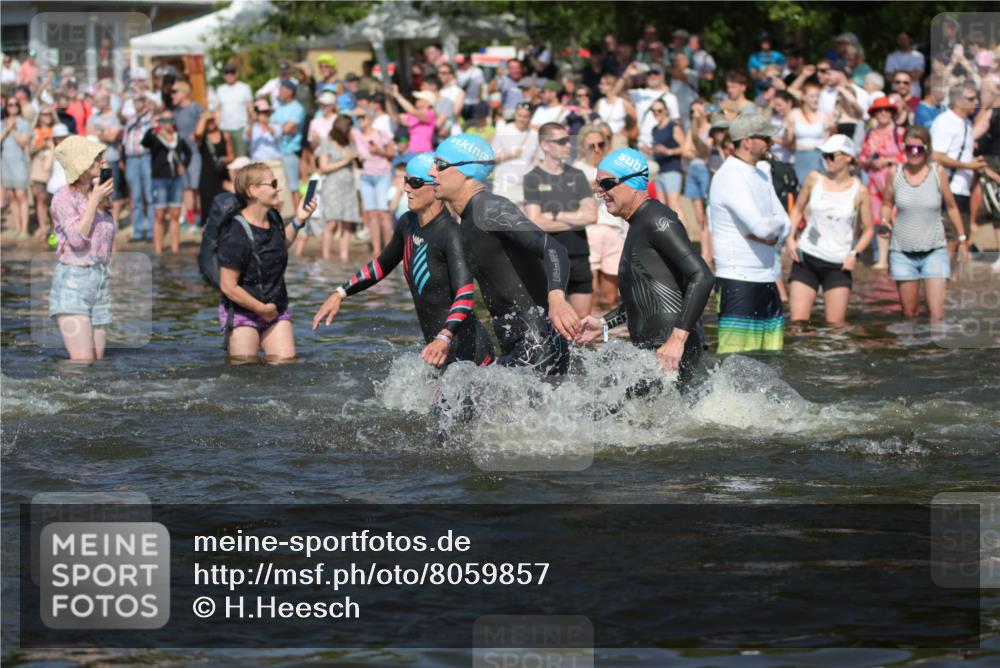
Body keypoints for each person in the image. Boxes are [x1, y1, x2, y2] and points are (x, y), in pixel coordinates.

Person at [314, 153, 495, 367]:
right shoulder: (408, 222)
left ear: (436, 186)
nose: (407, 188)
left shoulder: (451, 235)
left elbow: (464, 297)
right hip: (437, 351)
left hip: (468, 352)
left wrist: (444, 336)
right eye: (406, 181)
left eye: (415, 182)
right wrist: (340, 293)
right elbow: (381, 266)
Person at [429, 134, 579, 374]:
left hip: (539, 344)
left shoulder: (490, 208)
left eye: (440, 165)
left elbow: (552, 248)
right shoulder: (467, 220)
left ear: (468, 171)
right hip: (516, 344)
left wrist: (557, 299)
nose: (431, 172)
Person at [576, 148, 714, 384]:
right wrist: (604, 323)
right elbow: (645, 294)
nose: (600, 193)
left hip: (670, 354)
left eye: (607, 184)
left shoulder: (657, 220)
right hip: (654, 354)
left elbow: (702, 276)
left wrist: (676, 341)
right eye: (597, 185)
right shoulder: (639, 223)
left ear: (634, 183)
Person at [217, 162, 317, 362]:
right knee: (245, 372)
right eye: (272, 183)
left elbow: (279, 246)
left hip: (275, 310)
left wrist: (298, 220)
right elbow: (228, 286)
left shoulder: (273, 217)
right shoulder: (235, 233)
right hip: (242, 313)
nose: (277, 188)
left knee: (286, 365)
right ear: (253, 190)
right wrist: (261, 309)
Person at [709, 113, 791, 354]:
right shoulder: (729, 175)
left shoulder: (762, 173)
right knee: (737, 365)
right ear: (747, 141)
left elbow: (785, 224)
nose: (771, 143)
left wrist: (770, 231)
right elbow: (762, 228)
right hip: (738, 281)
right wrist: (769, 230)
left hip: (767, 279)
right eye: (765, 138)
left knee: (771, 362)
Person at [881, 125, 968, 322]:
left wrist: (962, 238)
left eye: (918, 149)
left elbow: (952, 207)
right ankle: (913, 351)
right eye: (909, 148)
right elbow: (887, 203)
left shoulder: (938, 173)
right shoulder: (895, 173)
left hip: (934, 251)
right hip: (902, 253)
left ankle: (933, 352)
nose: (914, 154)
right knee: (910, 314)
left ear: (927, 149)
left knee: (936, 314)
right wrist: (885, 221)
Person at [786, 135, 874, 325]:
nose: (827, 161)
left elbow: (868, 230)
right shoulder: (813, 179)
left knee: (835, 327)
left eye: (831, 156)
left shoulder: (860, 191)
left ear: (848, 158)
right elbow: (798, 209)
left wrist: (854, 254)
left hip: (838, 264)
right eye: (824, 156)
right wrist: (790, 238)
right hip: (806, 258)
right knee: (798, 324)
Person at [48, 135, 116, 362]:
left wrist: (98, 199)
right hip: (73, 282)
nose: (101, 161)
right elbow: (77, 240)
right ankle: (53, 395)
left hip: (99, 281)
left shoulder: (98, 195)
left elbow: (105, 241)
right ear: (81, 164)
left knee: (96, 360)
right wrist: (94, 201)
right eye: (96, 158)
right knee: (82, 360)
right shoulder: (63, 197)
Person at [523, 122, 599, 317]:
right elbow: (536, 222)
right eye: (562, 141)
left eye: (569, 140)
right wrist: (575, 218)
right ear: (545, 145)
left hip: (579, 254)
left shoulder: (577, 175)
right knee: (553, 322)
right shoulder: (533, 178)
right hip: (549, 258)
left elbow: (591, 216)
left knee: (583, 325)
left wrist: (555, 215)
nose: (568, 145)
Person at [574, 125, 627, 312]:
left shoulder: (615, 169)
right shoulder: (576, 170)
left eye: (600, 144)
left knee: (611, 297)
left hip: (615, 231)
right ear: (583, 147)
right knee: (591, 293)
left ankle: (608, 336)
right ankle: (592, 337)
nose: (597, 149)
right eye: (592, 146)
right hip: (589, 232)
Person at [931, 83, 985, 252]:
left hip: (962, 188)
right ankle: (941, 277)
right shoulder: (945, 121)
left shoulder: (967, 123)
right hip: (947, 187)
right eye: (971, 98)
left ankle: (951, 277)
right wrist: (968, 165)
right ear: (957, 100)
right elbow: (936, 156)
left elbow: (961, 154)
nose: (976, 101)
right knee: (950, 238)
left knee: (961, 238)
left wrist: (977, 165)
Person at [860, 96, 906, 270]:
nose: (883, 113)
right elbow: (862, 158)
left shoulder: (900, 132)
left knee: (898, 217)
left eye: (887, 110)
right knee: (880, 220)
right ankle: (883, 259)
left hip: (895, 181)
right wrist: (871, 162)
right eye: (879, 110)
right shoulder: (870, 134)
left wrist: (887, 160)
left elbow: (908, 156)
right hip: (874, 184)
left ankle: (900, 257)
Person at [142, 110, 192, 254]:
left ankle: (175, 248)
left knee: (175, 214)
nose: (167, 124)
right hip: (159, 179)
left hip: (175, 179)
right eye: (164, 121)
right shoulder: (155, 137)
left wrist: (184, 165)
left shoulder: (178, 137)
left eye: (169, 121)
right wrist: (153, 128)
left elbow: (188, 153)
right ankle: (158, 249)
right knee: (160, 215)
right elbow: (145, 142)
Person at [316, 114, 361, 262]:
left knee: (347, 222)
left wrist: (357, 158)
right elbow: (323, 167)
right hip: (332, 185)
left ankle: (344, 256)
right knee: (332, 222)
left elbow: (357, 164)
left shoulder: (349, 142)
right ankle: (326, 255)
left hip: (348, 185)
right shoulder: (327, 143)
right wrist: (345, 160)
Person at [352, 107, 395, 254]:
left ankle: (389, 250)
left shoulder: (381, 134)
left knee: (383, 213)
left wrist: (379, 151)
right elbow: (346, 119)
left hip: (382, 175)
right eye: (358, 118)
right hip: (366, 176)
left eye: (363, 117)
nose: (360, 120)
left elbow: (391, 154)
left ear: (370, 118)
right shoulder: (356, 134)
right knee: (371, 214)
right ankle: (377, 250)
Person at [85, 93, 125, 221]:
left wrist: (99, 133)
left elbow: (112, 137)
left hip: (110, 159)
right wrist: (104, 132)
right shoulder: (93, 117)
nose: (96, 101)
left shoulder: (114, 117)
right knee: (96, 189)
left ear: (107, 100)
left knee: (111, 191)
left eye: (99, 99)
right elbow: (87, 133)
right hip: (95, 162)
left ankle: (113, 221)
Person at [170, 82, 204, 228]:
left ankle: (199, 217)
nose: (172, 95)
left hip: (196, 152)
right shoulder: (176, 111)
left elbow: (208, 116)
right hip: (182, 154)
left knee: (196, 187)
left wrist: (198, 133)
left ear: (184, 93)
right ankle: (189, 219)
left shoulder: (195, 107)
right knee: (186, 188)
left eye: (175, 92)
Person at [784, 81, 832, 184]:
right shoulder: (794, 114)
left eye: (817, 96)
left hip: (818, 156)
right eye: (812, 96)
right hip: (800, 156)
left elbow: (827, 142)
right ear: (804, 97)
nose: (815, 99)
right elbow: (787, 141)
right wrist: (788, 130)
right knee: (801, 188)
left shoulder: (825, 116)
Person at [491, 102, 537, 207]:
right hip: (504, 183)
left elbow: (536, 160)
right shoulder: (503, 131)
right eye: (520, 115)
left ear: (530, 117)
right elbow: (491, 158)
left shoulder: (534, 135)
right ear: (515, 115)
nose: (522, 119)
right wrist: (510, 154)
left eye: (526, 116)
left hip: (524, 185)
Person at [122, 94, 154, 241]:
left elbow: (158, 107)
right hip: (131, 159)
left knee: (149, 194)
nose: (137, 103)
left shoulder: (150, 116)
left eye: (140, 100)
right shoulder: (130, 119)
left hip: (146, 157)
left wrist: (147, 99)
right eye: (135, 100)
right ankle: (138, 231)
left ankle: (153, 230)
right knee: (135, 196)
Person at [271, 80, 307, 210]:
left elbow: (288, 129)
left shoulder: (297, 108)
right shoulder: (279, 107)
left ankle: (300, 219)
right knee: (278, 188)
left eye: (282, 89)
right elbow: (276, 127)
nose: (279, 92)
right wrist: (281, 127)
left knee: (294, 187)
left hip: (291, 152)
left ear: (290, 91)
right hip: (277, 153)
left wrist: (277, 127)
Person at [648, 99, 686, 221]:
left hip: (672, 169)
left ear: (666, 111)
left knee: (674, 204)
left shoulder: (673, 126)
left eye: (659, 110)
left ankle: (684, 236)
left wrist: (668, 151)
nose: (656, 113)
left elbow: (685, 148)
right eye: (653, 111)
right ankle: (669, 236)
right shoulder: (655, 129)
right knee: (662, 205)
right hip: (659, 170)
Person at [195, 110, 234, 226]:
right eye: (208, 121)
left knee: (225, 211)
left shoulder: (225, 135)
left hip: (222, 177)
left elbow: (231, 156)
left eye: (212, 120)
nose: (210, 122)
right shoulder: (202, 138)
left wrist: (224, 160)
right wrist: (204, 117)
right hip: (207, 179)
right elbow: (197, 133)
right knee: (208, 212)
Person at [2, 97, 31, 238]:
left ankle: (24, 229)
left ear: (18, 107)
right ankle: (17, 226)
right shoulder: (1, 123)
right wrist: (7, 128)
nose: (12, 107)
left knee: (21, 195)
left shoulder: (24, 124)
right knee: (11, 195)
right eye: (10, 105)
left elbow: (23, 142)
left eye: (15, 105)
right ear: (6, 107)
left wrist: (13, 130)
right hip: (5, 164)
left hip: (19, 163)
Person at [28, 106, 56, 239]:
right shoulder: (35, 131)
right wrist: (43, 145)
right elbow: (29, 151)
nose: (47, 116)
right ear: (39, 116)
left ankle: (56, 228)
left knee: (54, 200)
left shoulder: (57, 130)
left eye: (49, 114)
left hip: (54, 166)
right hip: (39, 165)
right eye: (44, 114)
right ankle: (44, 229)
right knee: (40, 198)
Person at [215, 63, 253, 158]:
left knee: (241, 158)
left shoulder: (244, 88)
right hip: (225, 128)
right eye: (227, 72)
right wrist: (218, 126)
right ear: (224, 75)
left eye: (232, 72)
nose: (229, 75)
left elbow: (250, 108)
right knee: (227, 158)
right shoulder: (220, 89)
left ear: (236, 74)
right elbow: (218, 110)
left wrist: (250, 126)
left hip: (241, 128)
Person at [390, 86, 437, 153]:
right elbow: (394, 118)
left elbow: (413, 111)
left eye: (420, 99)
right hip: (412, 152)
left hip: (425, 152)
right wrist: (388, 99)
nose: (416, 100)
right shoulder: (412, 115)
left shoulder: (430, 114)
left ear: (428, 103)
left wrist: (397, 95)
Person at [884, 32, 925, 99]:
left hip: (914, 94)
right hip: (895, 96)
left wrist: (896, 72)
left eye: (904, 38)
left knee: (912, 109)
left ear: (910, 40)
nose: (902, 41)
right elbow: (888, 77)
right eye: (900, 39)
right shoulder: (891, 56)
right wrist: (910, 73)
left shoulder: (919, 56)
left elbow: (917, 75)